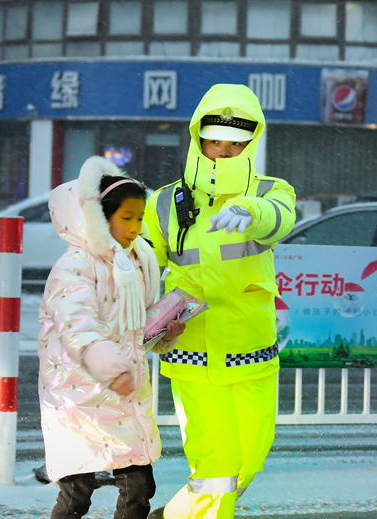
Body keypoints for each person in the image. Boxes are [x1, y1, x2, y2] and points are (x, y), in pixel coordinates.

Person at [143, 84, 297, 518]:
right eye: (215, 141)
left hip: (251, 346)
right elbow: (138, 262)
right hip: (190, 347)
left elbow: (282, 218)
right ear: (198, 139)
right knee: (216, 464)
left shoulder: (271, 190)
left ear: (251, 142)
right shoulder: (164, 202)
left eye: (235, 145)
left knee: (251, 458)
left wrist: (254, 211)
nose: (223, 152)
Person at [37, 155, 185, 519]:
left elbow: (135, 329)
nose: (136, 227)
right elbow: (78, 325)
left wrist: (165, 332)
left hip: (124, 390)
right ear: (99, 218)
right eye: (127, 218)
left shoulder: (135, 261)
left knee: (139, 487)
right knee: (77, 492)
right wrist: (109, 366)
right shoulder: (74, 266)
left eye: (140, 217)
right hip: (80, 393)